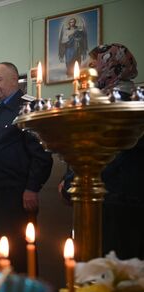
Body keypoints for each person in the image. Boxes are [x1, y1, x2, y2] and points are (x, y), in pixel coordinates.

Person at [59, 43, 142, 260]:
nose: (87, 71)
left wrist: (71, 183)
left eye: (93, 64)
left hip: (118, 206)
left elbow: (108, 153)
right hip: (106, 201)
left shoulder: (123, 104)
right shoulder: (110, 99)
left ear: (111, 67)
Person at [0, 62, 53, 274]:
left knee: (21, 252)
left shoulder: (29, 107)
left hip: (20, 194)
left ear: (15, 80)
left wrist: (32, 187)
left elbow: (41, 154)